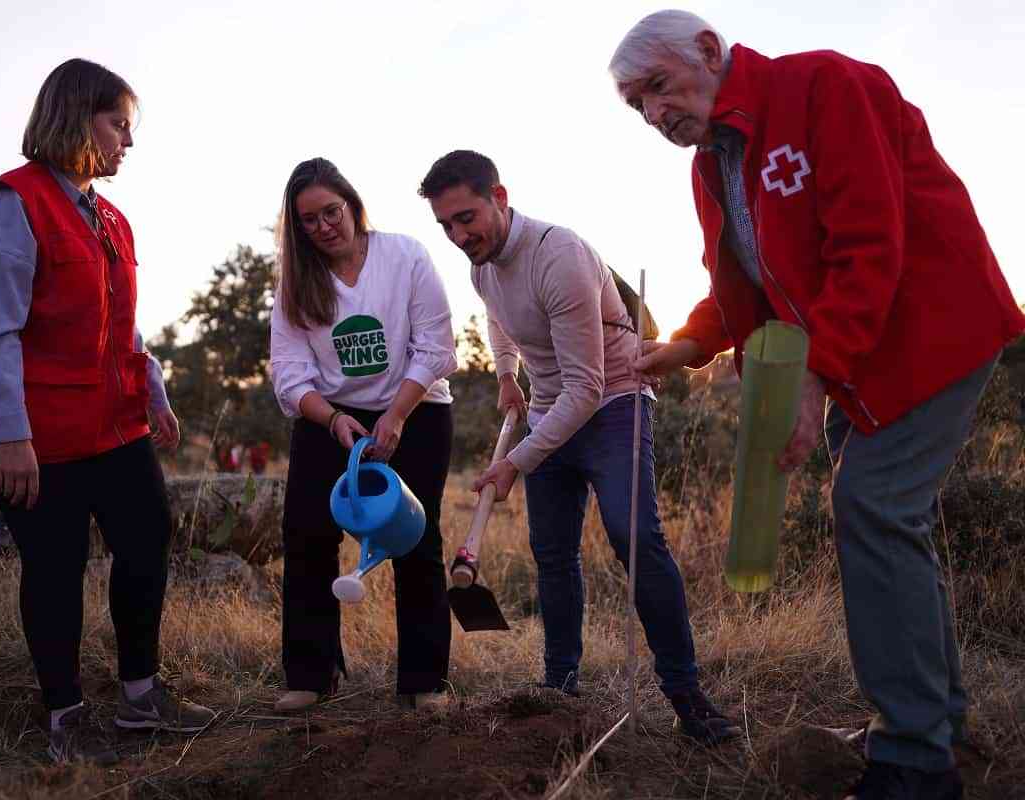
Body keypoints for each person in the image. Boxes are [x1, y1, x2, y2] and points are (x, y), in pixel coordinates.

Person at [609, 11, 1025, 798]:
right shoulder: (711, 165)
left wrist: (814, 373)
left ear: (708, 51)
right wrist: (690, 346)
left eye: (658, 87)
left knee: (870, 506)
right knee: (888, 516)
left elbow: (870, 242)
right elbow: (745, 284)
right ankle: (937, 725)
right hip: (859, 356)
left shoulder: (820, 86)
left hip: (933, 332)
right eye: (638, 106)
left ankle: (913, 761)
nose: (655, 113)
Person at [419, 150, 740, 745]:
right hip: (547, 407)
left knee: (633, 535)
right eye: (447, 226)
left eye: (467, 218)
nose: (460, 236)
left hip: (613, 402)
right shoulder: (483, 265)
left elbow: (586, 389)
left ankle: (687, 697)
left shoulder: (559, 256)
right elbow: (499, 317)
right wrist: (507, 373)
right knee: (553, 553)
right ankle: (559, 689)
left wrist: (515, 462)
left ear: (500, 196)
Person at [0, 59, 214, 765]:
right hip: (31, 430)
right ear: (75, 117)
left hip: (109, 418)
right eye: (117, 124)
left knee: (147, 533)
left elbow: (120, 324)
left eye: (130, 127)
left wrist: (152, 386)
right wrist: (8, 437)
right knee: (56, 562)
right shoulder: (12, 204)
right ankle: (65, 714)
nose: (129, 140)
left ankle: (139, 698)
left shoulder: (111, 216)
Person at [270, 157, 458, 713]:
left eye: (332, 211)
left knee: (415, 538)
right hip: (330, 416)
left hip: (416, 405)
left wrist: (396, 414)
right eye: (309, 220)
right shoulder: (296, 283)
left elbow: (436, 346)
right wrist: (329, 419)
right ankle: (311, 674)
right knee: (307, 538)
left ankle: (424, 683)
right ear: (298, 227)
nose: (325, 225)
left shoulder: (405, 256)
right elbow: (288, 371)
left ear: (352, 205)